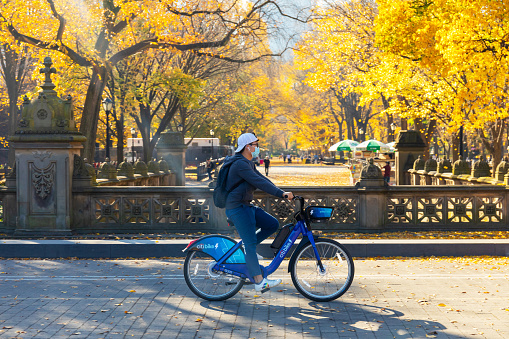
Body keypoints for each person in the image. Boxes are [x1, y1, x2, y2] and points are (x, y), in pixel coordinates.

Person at [224, 133, 294, 292]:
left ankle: (250, 254)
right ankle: (258, 281)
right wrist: (280, 194)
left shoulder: (248, 163)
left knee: (272, 224)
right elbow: (259, 183)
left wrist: (280, 191)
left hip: (245, 205)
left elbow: (262, 179)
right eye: (255, 144)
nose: (257, 147)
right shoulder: (240, 164)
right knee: (249, 244)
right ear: (247, 146)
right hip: (237, 208)